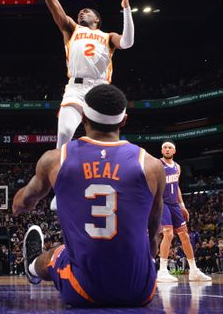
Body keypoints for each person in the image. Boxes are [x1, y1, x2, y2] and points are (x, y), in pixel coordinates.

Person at [13, 84, 163, 307]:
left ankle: (33, 265)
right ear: (124, 120)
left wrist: (19, 204)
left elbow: (22, 204)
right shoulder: (151, 165)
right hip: (142, 291)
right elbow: (154, 232)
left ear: (83, 116)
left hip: (84, 291)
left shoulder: (55, 160)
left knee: (59, 252)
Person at [38, 0, 134, 211]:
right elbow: (51, 1)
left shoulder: (107, 36)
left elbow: (129, 42)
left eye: (87, 12)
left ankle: (116, 185)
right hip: (76, 88)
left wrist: (126, 8)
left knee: (106, 142)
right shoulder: (71, 29)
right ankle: (60, 189)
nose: (82, 12)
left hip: (101, 90)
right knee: (63, 133)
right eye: (81, 12)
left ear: (97, 20)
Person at [156, 142, 211, 282]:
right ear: (161, 150)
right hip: (162, 203)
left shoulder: (177, 167)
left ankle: (194, 271)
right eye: (165, 147)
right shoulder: (157, 165)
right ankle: (162, 271)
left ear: (174, 151)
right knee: (168, 234)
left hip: (175, 204)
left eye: (170, 147)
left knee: (184, 235)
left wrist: (182, 205)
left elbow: (177, 187)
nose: (167, 149)